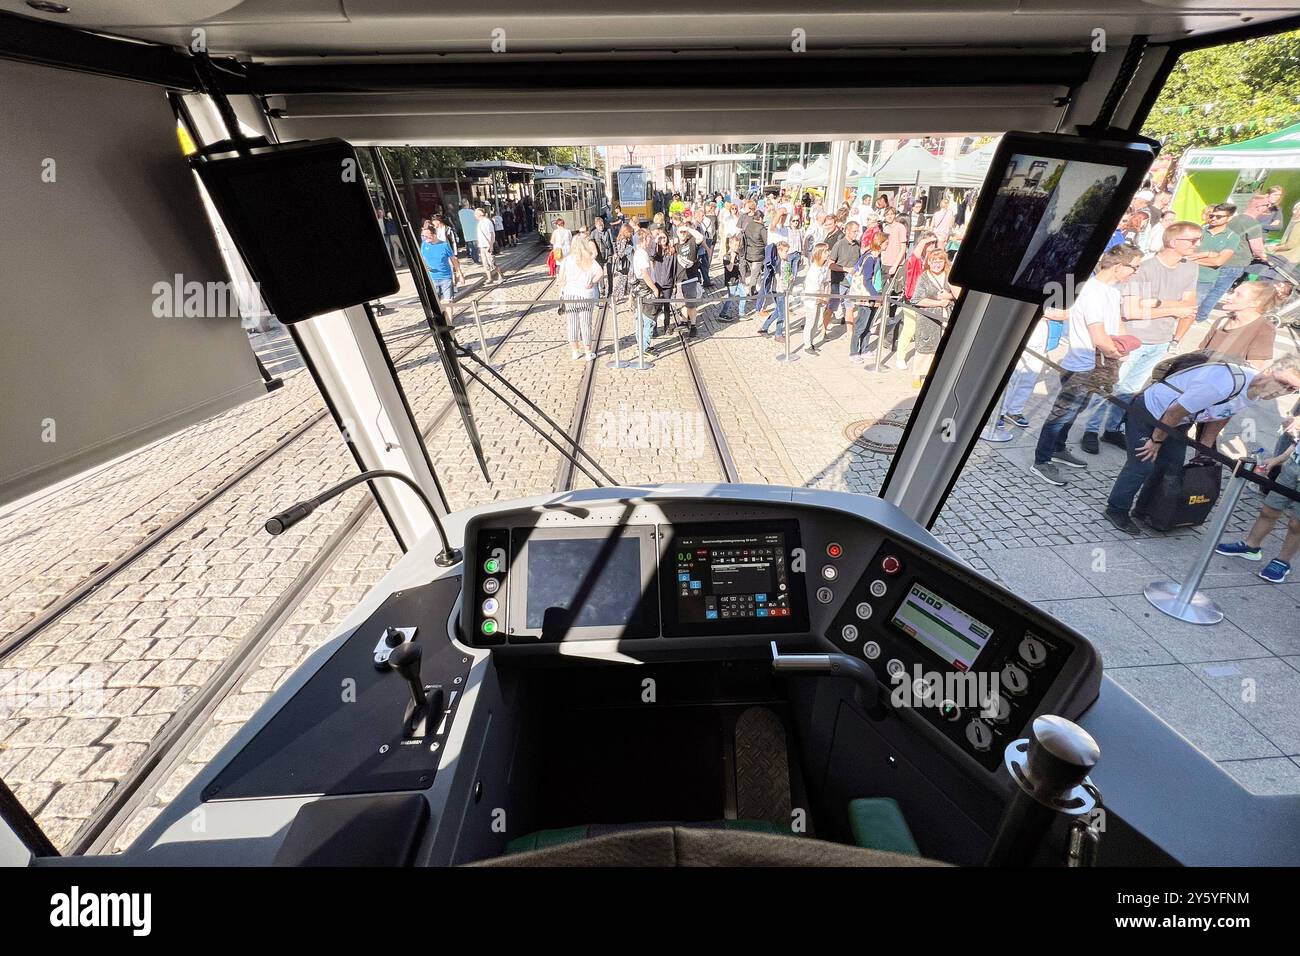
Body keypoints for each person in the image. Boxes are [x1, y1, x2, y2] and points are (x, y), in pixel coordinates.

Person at [1105, 355, 1300, 534]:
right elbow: (1174, 412)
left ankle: (1145, 510)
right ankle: (1116, 509)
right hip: (1151, 411)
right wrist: (1156, 441)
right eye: (1284, 383)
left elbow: (1224, 413)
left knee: (1171, 466)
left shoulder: (1256, 391)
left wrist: (1205, 448)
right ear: (1268, 371)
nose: (1283, 391)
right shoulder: (1223, 383)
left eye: (1292, 389)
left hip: (1178, 420)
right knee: (1142, 464)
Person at [1082, 220, 1201, 451]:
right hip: (1135, 338)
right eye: (1192, 240)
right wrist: (1174, 308)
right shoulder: (1145, 268)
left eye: (1199, 240)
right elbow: (1132, 311)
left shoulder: (1190, 267)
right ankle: (1091, 429)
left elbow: (1191, 306)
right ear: (1173, 242)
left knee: (1130, 390)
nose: (1198, 245)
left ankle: (1112, 429)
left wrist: (1156, 305)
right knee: (1111, 386)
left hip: (1161, 339)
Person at [1031, 244, 1142, 488]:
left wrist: (1121, 349)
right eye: (1134, 267)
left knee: (1076, 410)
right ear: (1118, 265)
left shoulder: (1112, 292)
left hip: (1097, 365)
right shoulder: (1091, 292)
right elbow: (1100, 337)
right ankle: (1042, 460)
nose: (1136, 272)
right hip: (1083, 365)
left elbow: (1117, 327)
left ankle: (1058, 449)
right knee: (1062, 414)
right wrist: (1118, 353)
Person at [1216, 417, 1300, 582]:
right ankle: (1251, 546)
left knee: (1297, 523)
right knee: (1269, 509)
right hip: (1293, 465)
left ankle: (1283, 561)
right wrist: (1278, 459)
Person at [1200, 281, 1280, 368]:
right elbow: (1199, 352)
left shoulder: (1264, 329)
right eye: (1232, 292)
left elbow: (1253, 368)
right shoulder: (1222, 321)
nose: (1229, 296)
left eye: (1238, 295)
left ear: (1255, 303)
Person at [1188, 204, 1245, 324]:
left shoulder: (1232, 237)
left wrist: (1195, 258)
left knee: (1190, 310)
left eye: (1218, 217)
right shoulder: (1200, 230)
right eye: (1212, 215)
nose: (1213, 218)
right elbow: (1187, 250)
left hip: (1205, 279)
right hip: (1186, 274)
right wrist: (1209, 255)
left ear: (1228, 218)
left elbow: (1219, 261)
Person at [558, 236, 602, 362]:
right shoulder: (590, 260)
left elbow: (561, 279)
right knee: (586, 324)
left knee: (572, 323)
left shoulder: (566, 260)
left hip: (570, 295)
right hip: (586, 295)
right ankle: (588, 352)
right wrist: (592, 282)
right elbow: (600, 272)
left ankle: (575, 351)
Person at [847, 235, 885, 362]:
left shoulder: (876, 256)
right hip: (868, 295)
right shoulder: (870, 258)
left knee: (869, 324)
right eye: (886, 243)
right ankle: (853, 351)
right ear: (880, 243)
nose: (887, 245)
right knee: (861, 325)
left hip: (874, 294)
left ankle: (864, 348)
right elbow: (867, 281)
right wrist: (876, 296)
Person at [420, 222, 465, 321]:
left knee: (448, 301)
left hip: (445, 277)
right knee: (435, 302)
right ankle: (439, 320)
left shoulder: (444, 245)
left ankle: (449, 322)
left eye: (427, 236)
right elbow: (421, 259)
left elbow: (453, 260)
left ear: (434, 235)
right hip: (431, 278)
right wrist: (424, 267)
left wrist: (459, 273)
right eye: (423, 236)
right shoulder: (424, 245)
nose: (425, 238)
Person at [759, 240, 797, 339]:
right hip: (779, 291)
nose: (787, 253)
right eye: (785, 251)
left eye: (787, 251)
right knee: (782, 314)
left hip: (784, 290)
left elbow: (787, 275)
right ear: (779, 251)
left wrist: (791, 278)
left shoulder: (787, 261)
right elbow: (777, 274)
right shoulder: (777, 263)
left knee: (777, 311)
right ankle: (778, 334)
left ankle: (764, 328)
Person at [827, 220, 862, 323]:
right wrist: (845, 269)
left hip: (851, 282)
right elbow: (830, 264)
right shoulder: (839, 245)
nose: (856, 234)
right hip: (838, 282)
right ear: (847, 231)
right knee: (831, 308)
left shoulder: (857, 245)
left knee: (850, 309)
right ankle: (823, 331)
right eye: (854, 231)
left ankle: (850, 334)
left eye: (857, 231)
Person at [801, 242, 831, 355]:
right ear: (819, 254)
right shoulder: (814, 270)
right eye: (825, 252)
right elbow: (813, 288)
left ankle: (811, 342)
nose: (827, 253)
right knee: (810, 322)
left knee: (818, 322)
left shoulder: (823, 267)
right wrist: (822, 297)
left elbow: (825, 282)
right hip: (812, 299)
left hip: (821, 298)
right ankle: (807, 344)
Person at [630, 230, 657, 357]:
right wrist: (654, 288)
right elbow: (645, 274)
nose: (651, 241)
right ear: (644, 239)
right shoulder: (641, 254)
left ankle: (642, 345)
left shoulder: (639, 252)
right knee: (647, 319)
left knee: (641, 319)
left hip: (641, 289)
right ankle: (643, 347)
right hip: (645, 290)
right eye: (649, 238)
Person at [740, 203, 768, 318]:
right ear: (760, 218)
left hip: (749, 254)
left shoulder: (748, 225)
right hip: (757, 255)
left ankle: (753, 290)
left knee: (753, 273)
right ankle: (751, 294)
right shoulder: (761, 228)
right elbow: (766, 241)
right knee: (754, 276)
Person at [717, 234, 745, 323]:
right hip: (730, 280)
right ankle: (723, 313)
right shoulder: (726, 256)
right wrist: (732, 258)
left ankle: (741, 313)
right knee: (731, 297)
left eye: (738, 245)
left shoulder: (737, 254)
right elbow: (729, 269)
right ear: (730, 244)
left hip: (737, 279)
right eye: (735, 245)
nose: (737, 247)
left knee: (743, 294)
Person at [474, 207, 504, 284]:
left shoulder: (487, 222)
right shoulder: (479, 223)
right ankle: (489, 278)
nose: (475, 216)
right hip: (481, 245)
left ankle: (500, 275)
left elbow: (492, 235)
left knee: (492, 262)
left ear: (480, 214)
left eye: (475, 214)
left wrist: (491, 245)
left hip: (487, 245)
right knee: (485, 263)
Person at [591, 216, 615, 295]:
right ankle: (602, 287)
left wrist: (615, 253)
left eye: (602, 225)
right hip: (599, 256)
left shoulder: (608, 231)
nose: (601, 227)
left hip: (608, 255)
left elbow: (612, 242)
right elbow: (591, 244)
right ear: (596, 225)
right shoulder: (593, 233)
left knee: (609, 273)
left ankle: (610, 290)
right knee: (600, 272)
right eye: (599, 226)